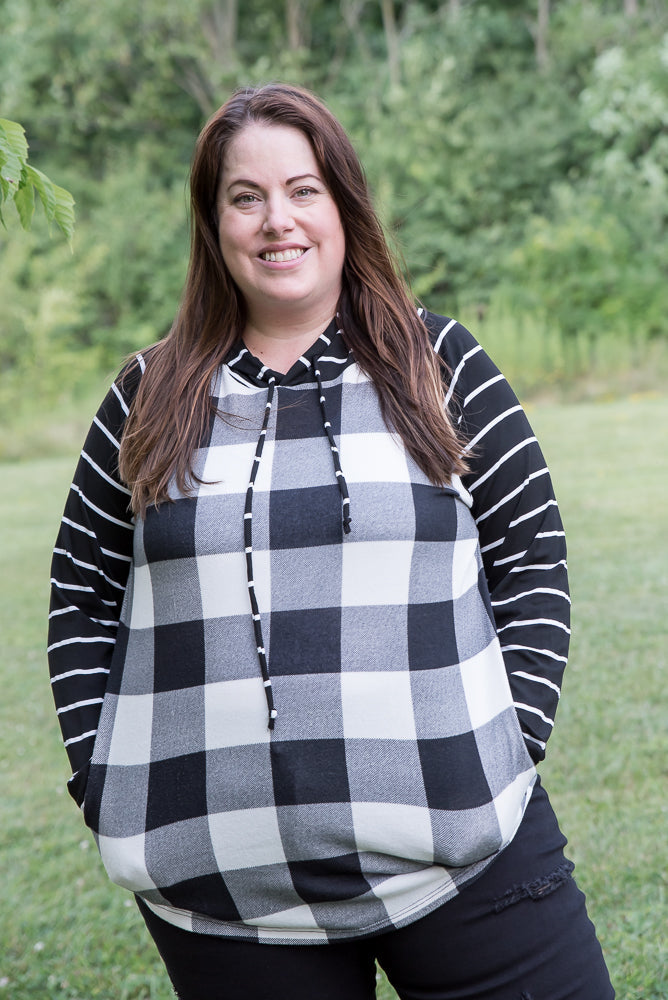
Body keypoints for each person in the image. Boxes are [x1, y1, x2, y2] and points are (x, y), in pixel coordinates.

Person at [48, 83, 614, 1000]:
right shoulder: (147, 393)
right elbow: (80, 590)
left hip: (461, 859)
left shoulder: (442, 366)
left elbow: (533, 554)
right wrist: (99, 774)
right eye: (246, 196)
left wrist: (515, 737)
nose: (279, 221)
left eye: (303, 189)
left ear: (343, 204)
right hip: (223, 897)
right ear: (213, 220)